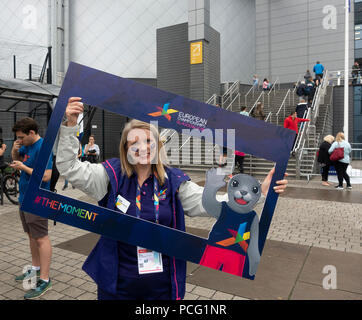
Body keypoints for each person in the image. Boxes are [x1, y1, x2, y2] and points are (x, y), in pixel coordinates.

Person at [56, 97, 289, 300]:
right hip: (117, 284)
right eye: (134, 142)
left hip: (162, 286)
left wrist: (261, 193)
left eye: (148, 141)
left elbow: (212, 204)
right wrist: (70, 126)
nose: (142, 147)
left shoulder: (174, 181)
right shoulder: (110, 176)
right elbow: (69, 167)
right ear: (125, 148)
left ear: (158, 146)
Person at [10, 117, 53, 299]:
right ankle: (35, 269)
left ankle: (45, 279)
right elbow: (17, 159)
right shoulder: (25, 145)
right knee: (31, 235)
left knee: (41, 238)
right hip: (24, 197)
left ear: (32, 133)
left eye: (21, 137)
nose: (20, 140)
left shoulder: (43, 147)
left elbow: (46, 176)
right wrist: (14, 150)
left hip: (38, 199)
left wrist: (24, 168)